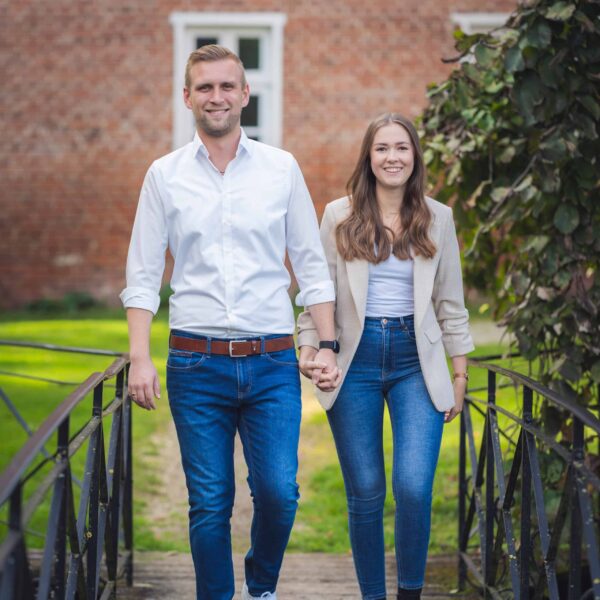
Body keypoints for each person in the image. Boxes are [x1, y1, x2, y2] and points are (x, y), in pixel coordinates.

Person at [120, 44, 340, 600]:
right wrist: (141, 356)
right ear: (187, 96)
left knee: (278, 494)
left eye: (227, 86)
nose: (216, 96)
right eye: (205, 87)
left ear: (245, 94)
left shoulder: (280, 168)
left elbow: (311, 266)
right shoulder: (163, 176)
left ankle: (260, 585)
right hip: (195, 364)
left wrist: (328, 343)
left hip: (270, 362)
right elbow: (143, 273)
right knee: (210, 501)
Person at [297, 113, 474, 600]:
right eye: (382, 149)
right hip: (355, 359)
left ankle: (410, 594)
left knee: (414, 489)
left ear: (414, 156)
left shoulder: (438, 217)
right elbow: (318, 296)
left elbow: (451, 303)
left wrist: (460, 373)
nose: (392, 157)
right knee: (367, 493)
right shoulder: (339, 214)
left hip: (417, 362)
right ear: (368, 157)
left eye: (401, 148)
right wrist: (309, 351)